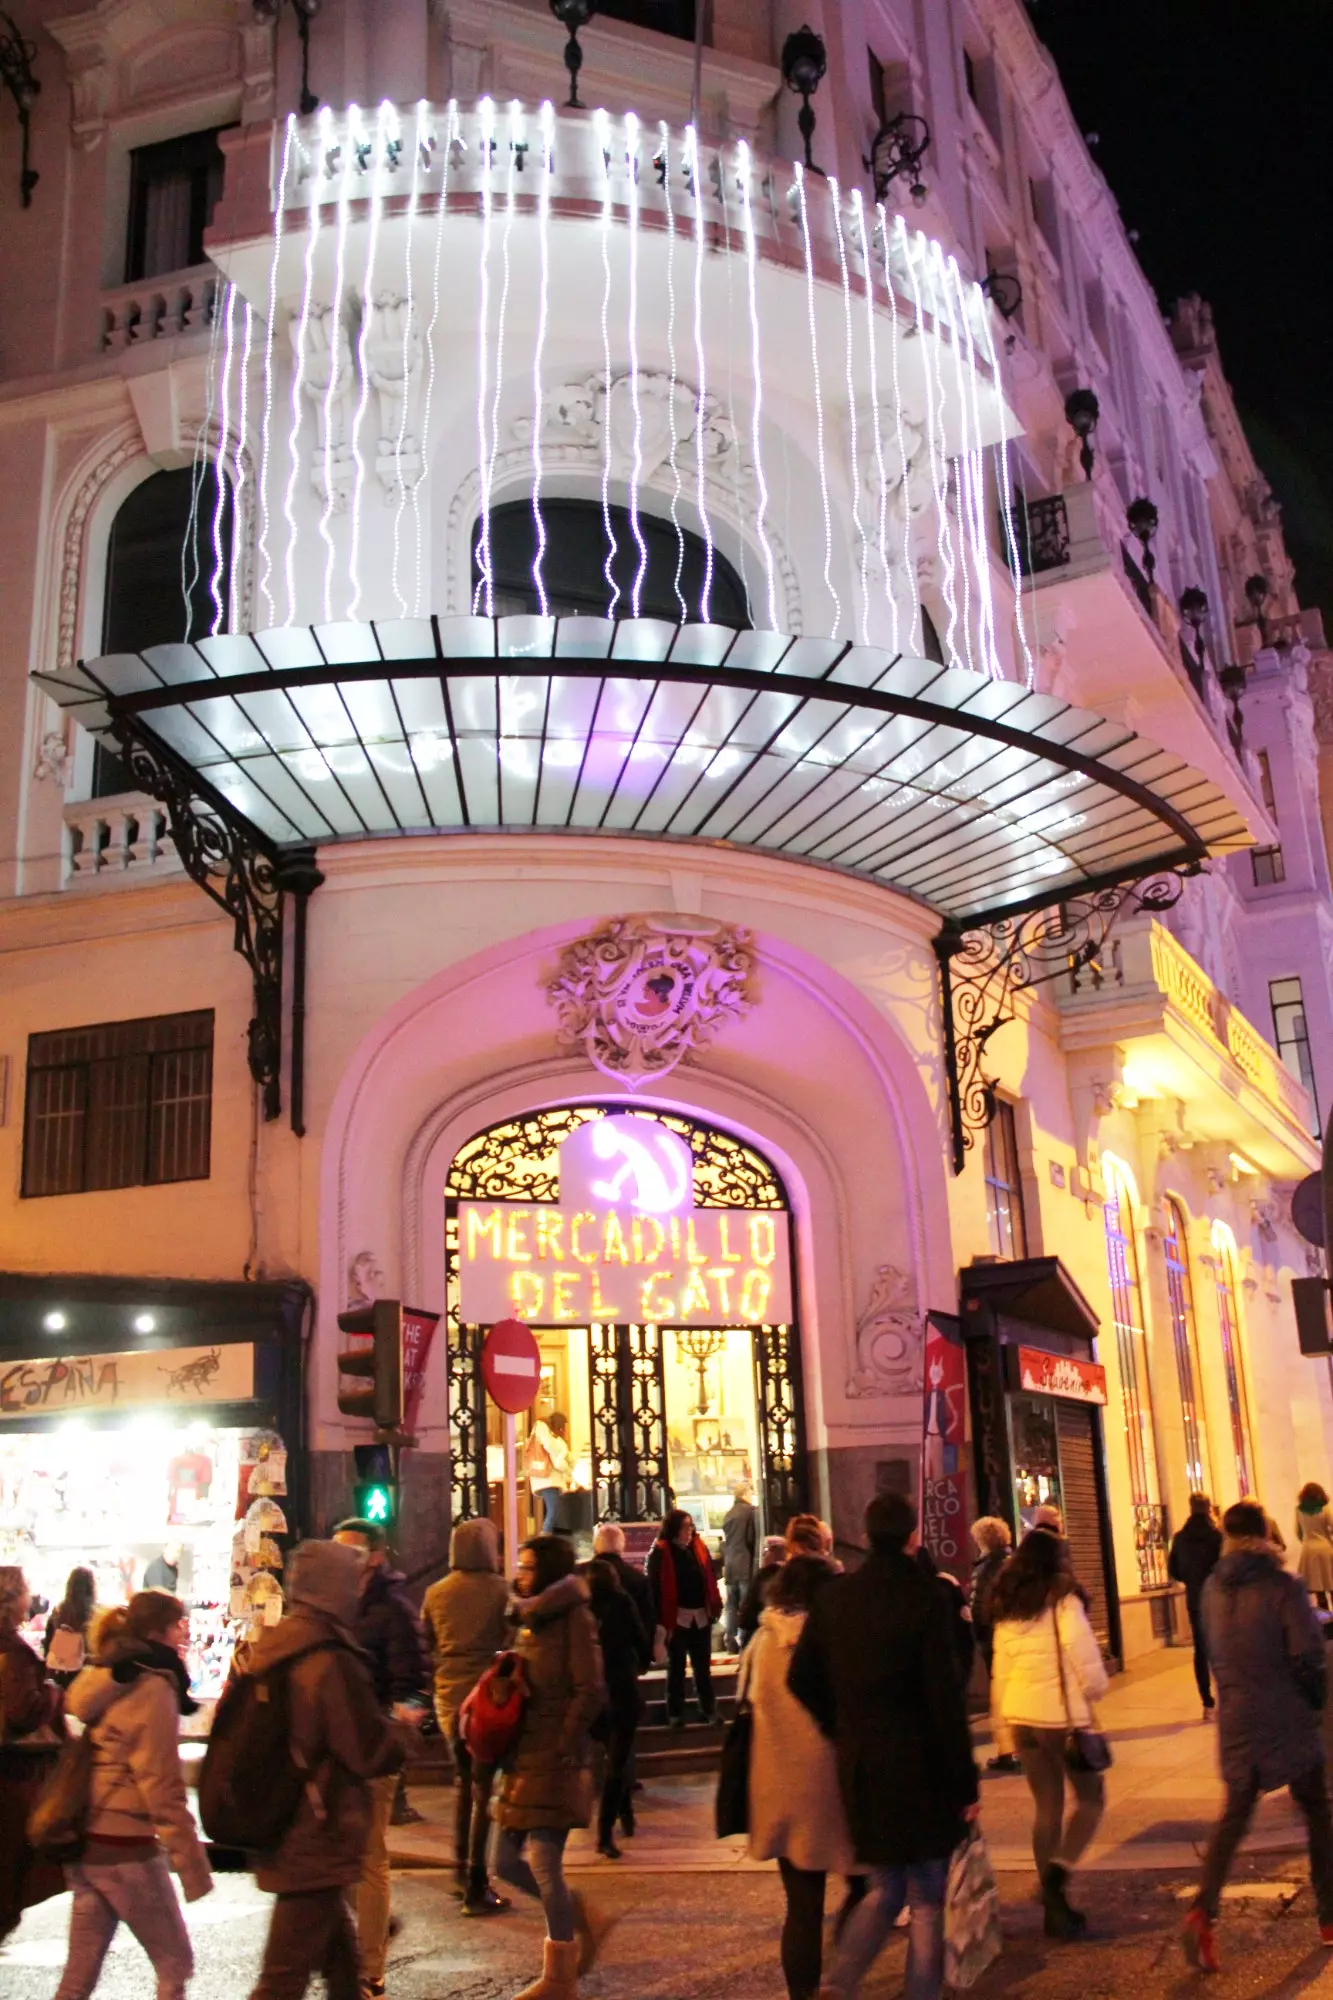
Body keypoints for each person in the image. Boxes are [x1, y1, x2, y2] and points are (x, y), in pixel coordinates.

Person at [789, 1492, 978, 2000]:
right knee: (927, 1899)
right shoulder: (927, 1598)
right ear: (913, 1536)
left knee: (883, 1883)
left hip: (864, 1763)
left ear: (867, 1536)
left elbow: (801, 1676)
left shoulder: (836, 1596)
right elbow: (944, 1695)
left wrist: (839, 1725)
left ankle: (838, 1981)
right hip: (923, 1765)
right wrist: (964, 1780)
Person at [244, 1539, 406, 2000]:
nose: (359, 1590)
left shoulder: (281, 1644)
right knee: (282, 1979)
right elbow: (365, 1748)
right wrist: (404, 1731)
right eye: (352, 1580)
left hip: (293, 1822)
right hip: (316, 1832)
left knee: (342, 1969)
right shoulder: (329, 1658)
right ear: (334, 1587)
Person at [1182, 1498, 1333, 1972]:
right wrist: (1314, 1701)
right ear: (1265, 1534)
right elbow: (1308, 1654)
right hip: (1285, 1714)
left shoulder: (1211, 1587)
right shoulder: (1282, 1585)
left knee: (1235, 1814)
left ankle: (1202, 1909)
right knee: (1316, 1807)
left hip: (1238, 1716)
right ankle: (1330, 1915)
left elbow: (1212, 1648)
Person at [53, 1590, 212, 2000]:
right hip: (129, 1845)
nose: (186, 1630)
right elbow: (159, 1781)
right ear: (157, 1630)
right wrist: (191, 1863)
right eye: (178, 1623)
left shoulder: (110, 1675)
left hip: (92, 1841)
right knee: (175, 1963)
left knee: (79, 1975)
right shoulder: (153, 1686)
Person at [492, 1535, 606, 1999]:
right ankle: (573, 1915)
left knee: (543, 1862)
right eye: (518, 1565)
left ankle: (560, 1977)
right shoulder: (524, 1619)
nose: (519, 1573)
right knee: (500, 1861)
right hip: (522, 1756)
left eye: (528, 1566)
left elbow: (590, 1687)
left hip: (554, 1758)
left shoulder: (572, 1618)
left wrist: (565, 1741)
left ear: (549, 1570)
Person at [744, 1555, 859, 2000]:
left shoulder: (761, 1641)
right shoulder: (835, 1638)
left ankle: (804, 1993)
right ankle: (844, 1970)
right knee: (869, 1885)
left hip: (777, 1783)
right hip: (833, 1780)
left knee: (803, 1906)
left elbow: (748, 1708)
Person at [990, 1526, 1108, 1938]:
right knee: (1092, 1799)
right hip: (1060, 1719)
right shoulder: (1063, 1599)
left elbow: (1000, 1672)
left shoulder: (1008, 1605)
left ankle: (1054, 1912)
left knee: (1047, 1808)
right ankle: (1054, 1880)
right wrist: (1096, 1691)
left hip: (1022, 1717)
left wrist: (1003, 1729)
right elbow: (1084, 1655)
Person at [331, 1517, 430, 2000]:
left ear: (374, 1557)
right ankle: (371, 1929)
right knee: (333, 1855)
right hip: (332, 1752)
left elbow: (413, 1685)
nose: (341, 1561)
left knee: (368, 1855)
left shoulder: (392, 1609)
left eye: (350, 1551)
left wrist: (392, 1731)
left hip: (370, 1752)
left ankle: (370, 1969)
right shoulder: (331, 1606)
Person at [421, 1516, 511, 1913]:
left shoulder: (435, 1592)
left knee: (462, 1784)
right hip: (484, 1697)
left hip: (447, 1695)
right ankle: (476, 1878)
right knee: (482, 1787)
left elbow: (426, 1642)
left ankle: (459, 1868)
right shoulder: (499, 1591)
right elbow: (510, 1644)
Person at [0, 1566, 65, 1943]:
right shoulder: (10, 1650)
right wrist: (52, 1691)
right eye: (26, 1589)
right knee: (9, 1872)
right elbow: (22, 1710)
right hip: (12, 1774)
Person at [584, 1559, 650, 1858]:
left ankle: (622, 1814)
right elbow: (642, 1640)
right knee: (618, 1758)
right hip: (621, 1688)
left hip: (594, 1691)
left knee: (611, 1755)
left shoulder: (581, 1610)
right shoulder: (622, 1603)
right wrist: (639, 1662)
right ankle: (607, 1829)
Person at [646, 1509, 722, 1727]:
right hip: (676, 1618)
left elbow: (709, 1576)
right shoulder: (661, 1552)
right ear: (674, 1529)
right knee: (676, 1667)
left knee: (702, 1668)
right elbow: (654, 1587)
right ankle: (675, 1714)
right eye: (684, 1527)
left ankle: (709, 1710)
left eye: (691, 1526)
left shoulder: (697, 1548)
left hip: (700, 1616)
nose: (689, 1531)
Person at [1168, 1494, 1223, 1719]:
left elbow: (1173, 1569)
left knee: (1200, 1650)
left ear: (1191, 1508)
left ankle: (1207, 1702)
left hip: (1194, 1599)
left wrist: (1190, 1579)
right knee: (1220, 1648)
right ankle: (1225, 1696)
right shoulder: (1216, 1537)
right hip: (1217, 1599)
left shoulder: (1180, 1538)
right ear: (1208, 1508)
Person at [969, 1517, 1016, 1770]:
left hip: (993, 1637)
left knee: (1001, 1696)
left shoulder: (987, 1567)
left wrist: (977, 1633)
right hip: (1012, 1635)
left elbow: (978, 1606)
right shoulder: (1014, 1563)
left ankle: (1009, 1750)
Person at [44, 1567, 98, 1690]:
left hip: (58, 1672)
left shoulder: (58, 1613)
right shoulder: (95, 1615)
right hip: (84, 1675)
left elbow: (48, 1644)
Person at [721, 1484, 758, 1653]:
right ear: (745, 1494)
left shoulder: (729, 1513)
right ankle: (745, 1642)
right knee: (745, 1604)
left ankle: (730, 1641)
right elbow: (751, 1539)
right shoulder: (750, 1512)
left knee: (731, 1605)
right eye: (750, 1492)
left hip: (730, 1564)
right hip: (745, 1563)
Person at [738, 1536, 788, 1650]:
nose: (763, 1555)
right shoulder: (793, 1575)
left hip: (762, 1638)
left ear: (772, 1553)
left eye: (765, 1551)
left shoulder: (764, 1576)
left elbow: (747, 1615)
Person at [526, 1415, 572, 1535]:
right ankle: (545, 1535)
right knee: (553, 1510)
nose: (564, 1430)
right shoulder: (550, 1437)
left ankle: (548, 1535)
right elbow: (557, 1460)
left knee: (554, 1510)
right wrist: (568, 1471)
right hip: (549, 1479)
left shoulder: (545, 1434)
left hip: (546, 1478)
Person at [1295, 1483, 1333, 1611]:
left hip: (1309, 1551)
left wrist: (1306, 1542)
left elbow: (1298, 1532)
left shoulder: (1299, 1510)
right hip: (1326, 1549)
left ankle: (1328, 1622)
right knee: (1332, 1585)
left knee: (1319, 1590)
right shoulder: (1325, 1508)